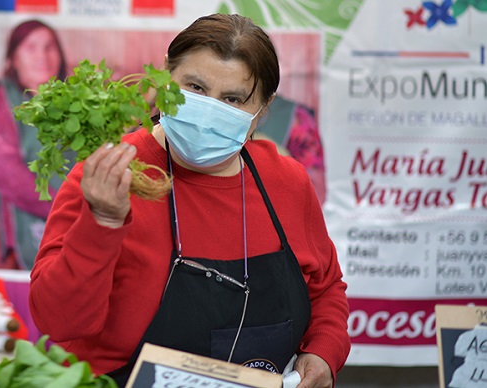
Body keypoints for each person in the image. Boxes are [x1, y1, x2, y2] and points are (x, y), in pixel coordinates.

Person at [29, 13, 350, 388]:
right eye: (195, 87)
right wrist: (103, 221)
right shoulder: (110, 177)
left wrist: (325, 350)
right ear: (166, 76)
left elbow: (326, 288)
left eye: (232, 99)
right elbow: (58, 320)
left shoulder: (287, 183)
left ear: (263, 109)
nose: (209, 110)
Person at [0, 20, 69, 270]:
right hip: (36, 232)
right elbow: (8, 176)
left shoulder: (77, 101)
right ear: (13, 58)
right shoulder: (3, 104)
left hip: (80, 225)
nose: (42, 56)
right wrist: (68, 210)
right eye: (31, 47)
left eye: (50, 47)